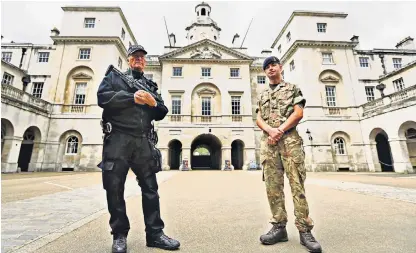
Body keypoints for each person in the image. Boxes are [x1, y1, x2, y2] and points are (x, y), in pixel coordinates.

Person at [97, 45, 180, 253]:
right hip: (118, 138)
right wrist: (131, 98)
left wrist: (152, 103)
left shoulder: (150, 85)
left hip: (143, 140)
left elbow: (162, 111)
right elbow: (102, 98)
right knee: (114, 188)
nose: (139, 60)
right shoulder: (114, 77)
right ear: (128, 59)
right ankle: (119, 235)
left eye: (142, 57)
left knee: (151, 188)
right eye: (135, 57)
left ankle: (155, 234)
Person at [255, 56, 322, 252]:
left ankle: (304, 230)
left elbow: (298, 112)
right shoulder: (263, 93)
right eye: (267, 67)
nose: (270, 69)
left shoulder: (293, 88)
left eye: (273, 65)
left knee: (296, 185)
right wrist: (270, 130)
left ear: (280, 67)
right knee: (272, 188)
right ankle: (279, 227)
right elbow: (258, 117)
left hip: (290, 142)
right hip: (269, 144)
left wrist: (280, 130)